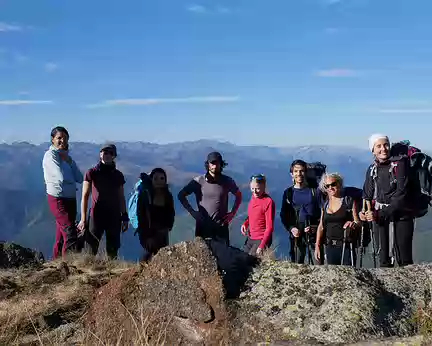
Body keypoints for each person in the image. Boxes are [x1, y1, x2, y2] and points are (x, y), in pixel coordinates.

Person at [359, 134, 414, 267]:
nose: (383, 149)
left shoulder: (399, 164)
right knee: (383, 259)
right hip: (381, 219)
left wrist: (378, 214)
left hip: (401, 217)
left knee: (404, 258)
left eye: (386, 145)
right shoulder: (372, 169)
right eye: (378, 146)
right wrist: (363, 212)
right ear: (373, 150)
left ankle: (408, 287)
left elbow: (401, 195)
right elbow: (367, 194)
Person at [178, 151, 242, 245]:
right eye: (212, 163)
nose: (215, 166)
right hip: (203, 226)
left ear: (221, 164)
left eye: (217, 163)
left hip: (221, 226)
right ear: (208, 164)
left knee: (223, 256)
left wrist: (233, 213)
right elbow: (181, 195)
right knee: (202, 256)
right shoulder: (198, 181)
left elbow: (239, 195)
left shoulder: (227, 181)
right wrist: (193, 212)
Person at [78, 143, 128, 259]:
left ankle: (112, 274)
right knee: (91, 248)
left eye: (111, 153)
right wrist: (83, 219)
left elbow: (121, 197)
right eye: (105, 152)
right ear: (100, 154)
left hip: (114, 215)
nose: (107, 155)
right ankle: (87, 272)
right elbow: (85, 196)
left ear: (114, 156)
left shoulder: (118, 175)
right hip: (96, 215)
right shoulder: (92, 173)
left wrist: (124, 216)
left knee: (112, 249)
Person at [42, 126, 83, 259]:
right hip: (58, 198)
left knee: (61, 236)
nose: (62, 141)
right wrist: (70, 180)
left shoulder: (67, 158)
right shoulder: (50, 156)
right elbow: (59, 176)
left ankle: (55, 265)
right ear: (52, 140)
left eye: (65, 138)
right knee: (70, 233)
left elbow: (80, 178)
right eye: (59, 138)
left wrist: (69, 161)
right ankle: (69, 266)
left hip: (70, 199)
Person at [280, 160, 323, 264]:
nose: (299, 174)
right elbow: (284, 214)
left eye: (302, 171)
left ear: (306, 172)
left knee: (318, 268)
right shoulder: (288, 193)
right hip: (296, 236)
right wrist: (291, 228)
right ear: (292, 174)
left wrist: (316, 227)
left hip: (313, 236)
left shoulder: (315, 191)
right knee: (297, 267)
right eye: (296, 171)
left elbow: (323, 212)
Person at [315, 173, 361, 266]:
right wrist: (317, 246)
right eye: (327, 186)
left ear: (339, 184)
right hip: (329, 247)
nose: (330, 188)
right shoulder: (325, 204)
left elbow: (358, 222)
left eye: (333, 184)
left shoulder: (349, 201)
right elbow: (321, 226)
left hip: (346, 247)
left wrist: (353, 223)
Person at [136, 168, 175, 261]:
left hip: (162, 232)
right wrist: (146, 234)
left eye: (162, 178)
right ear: (151, 179)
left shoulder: (168, 196)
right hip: (148, 232)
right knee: (149, 255)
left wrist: (169, 226)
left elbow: (171, 212)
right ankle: (141, 272)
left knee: (161, 257)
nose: (159, 181)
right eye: (156, 178)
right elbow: (141, 216)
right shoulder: (145, 195)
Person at [241, 174, 275, 256]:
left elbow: (269, 227)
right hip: (251, 237)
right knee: (241, 258)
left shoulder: (268, 202)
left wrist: (262, 246)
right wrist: (245, 224)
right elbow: (253, 215)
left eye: (258, 188)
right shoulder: (253, 197)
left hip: (261, 239)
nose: (255, 191)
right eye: (252, 188)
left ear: (264, 187)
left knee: (251, 262)